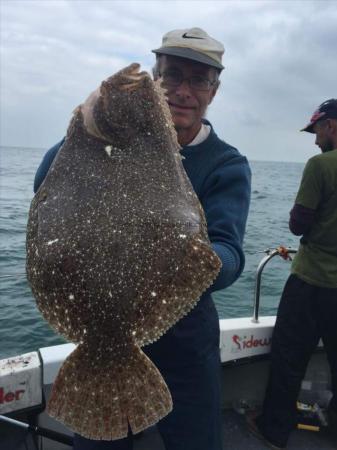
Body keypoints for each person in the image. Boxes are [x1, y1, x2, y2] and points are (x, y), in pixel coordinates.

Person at [34, 27, 251, 450]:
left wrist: (196, 262)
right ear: (155, 79)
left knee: (196, 442)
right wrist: (84, 128)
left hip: (187, 340)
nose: (182, 91)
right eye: (171, 76)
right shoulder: (105, 148)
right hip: (99, 334)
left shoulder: (226, 164)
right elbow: (46, 186)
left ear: (214, 90)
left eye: (198, 79)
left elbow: (230, 252)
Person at [247, 99, 337, 450]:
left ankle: (274, 429)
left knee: (289, 357)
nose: (315, 141)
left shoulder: (320, 166)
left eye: (316, 131)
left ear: (331, 125)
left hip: (311, 283)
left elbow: (298, 225)